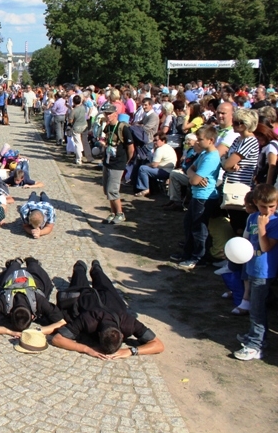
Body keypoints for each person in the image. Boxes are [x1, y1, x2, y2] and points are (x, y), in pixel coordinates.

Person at [51, 260, 164, 359]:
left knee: (103, 281)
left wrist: (130, 351)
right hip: (87, 297)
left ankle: (96, 268)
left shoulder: (128, 323)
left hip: (110, 298)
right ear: (123, 335)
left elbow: (159, 345)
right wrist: (87, 349)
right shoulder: (89, 320)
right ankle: (80, 267)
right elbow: (57, 339)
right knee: (79, 281)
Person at [235, 183, 278, 361]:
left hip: (264, 271)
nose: (267, 210)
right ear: (255, 203)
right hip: (252, 266)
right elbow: (246, 241)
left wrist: (262, 228)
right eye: (262, 206)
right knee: (255, 306)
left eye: (271, 206)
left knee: (257, 309)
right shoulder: (252, 217)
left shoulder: (275, 222)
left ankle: (255, 345)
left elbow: (266, 246)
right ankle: (258, 337)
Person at [170, 125, 221, 270]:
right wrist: (194, 175)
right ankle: (188, 253)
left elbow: (193, 180)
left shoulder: (211, 157)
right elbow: (190, 169)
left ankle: (198, 257)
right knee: (189, 224)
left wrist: (194, 176)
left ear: (211, 140)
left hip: (204, 197)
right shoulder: (204, 154)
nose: (197, 142)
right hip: (197, 194)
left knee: (199, 228)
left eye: (200, 140)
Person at [0, 257, 65, 337]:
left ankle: (22, 263)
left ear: (10, 314)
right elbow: (62, 322)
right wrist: (37, 331)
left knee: (8, 278)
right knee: (37, 275)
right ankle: (27, 263)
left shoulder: (4, 301)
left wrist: (8, 332)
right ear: (32, 316)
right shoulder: (38, 300)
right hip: (27, 282)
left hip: (18, 282)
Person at [100, 104, 133, 225]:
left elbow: (131, 148)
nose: (107, 116)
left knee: (113, 190)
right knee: (106, 189)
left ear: (115, 114)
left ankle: (120, 213)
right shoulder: (108, 127)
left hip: (118, 163)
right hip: (108, 161)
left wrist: (126, 161)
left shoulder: (123, 128)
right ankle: (113, 212)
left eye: (109, 113)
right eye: (105, 114)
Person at [68, 95, 87, 165]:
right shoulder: (83, 107)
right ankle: (83, 154)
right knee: (83, 142)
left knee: (77, 143)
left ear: (73, 101)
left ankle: (79, 159)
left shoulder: (74, 111)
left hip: (77, 127)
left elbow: (70, 120)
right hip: (84, 126)